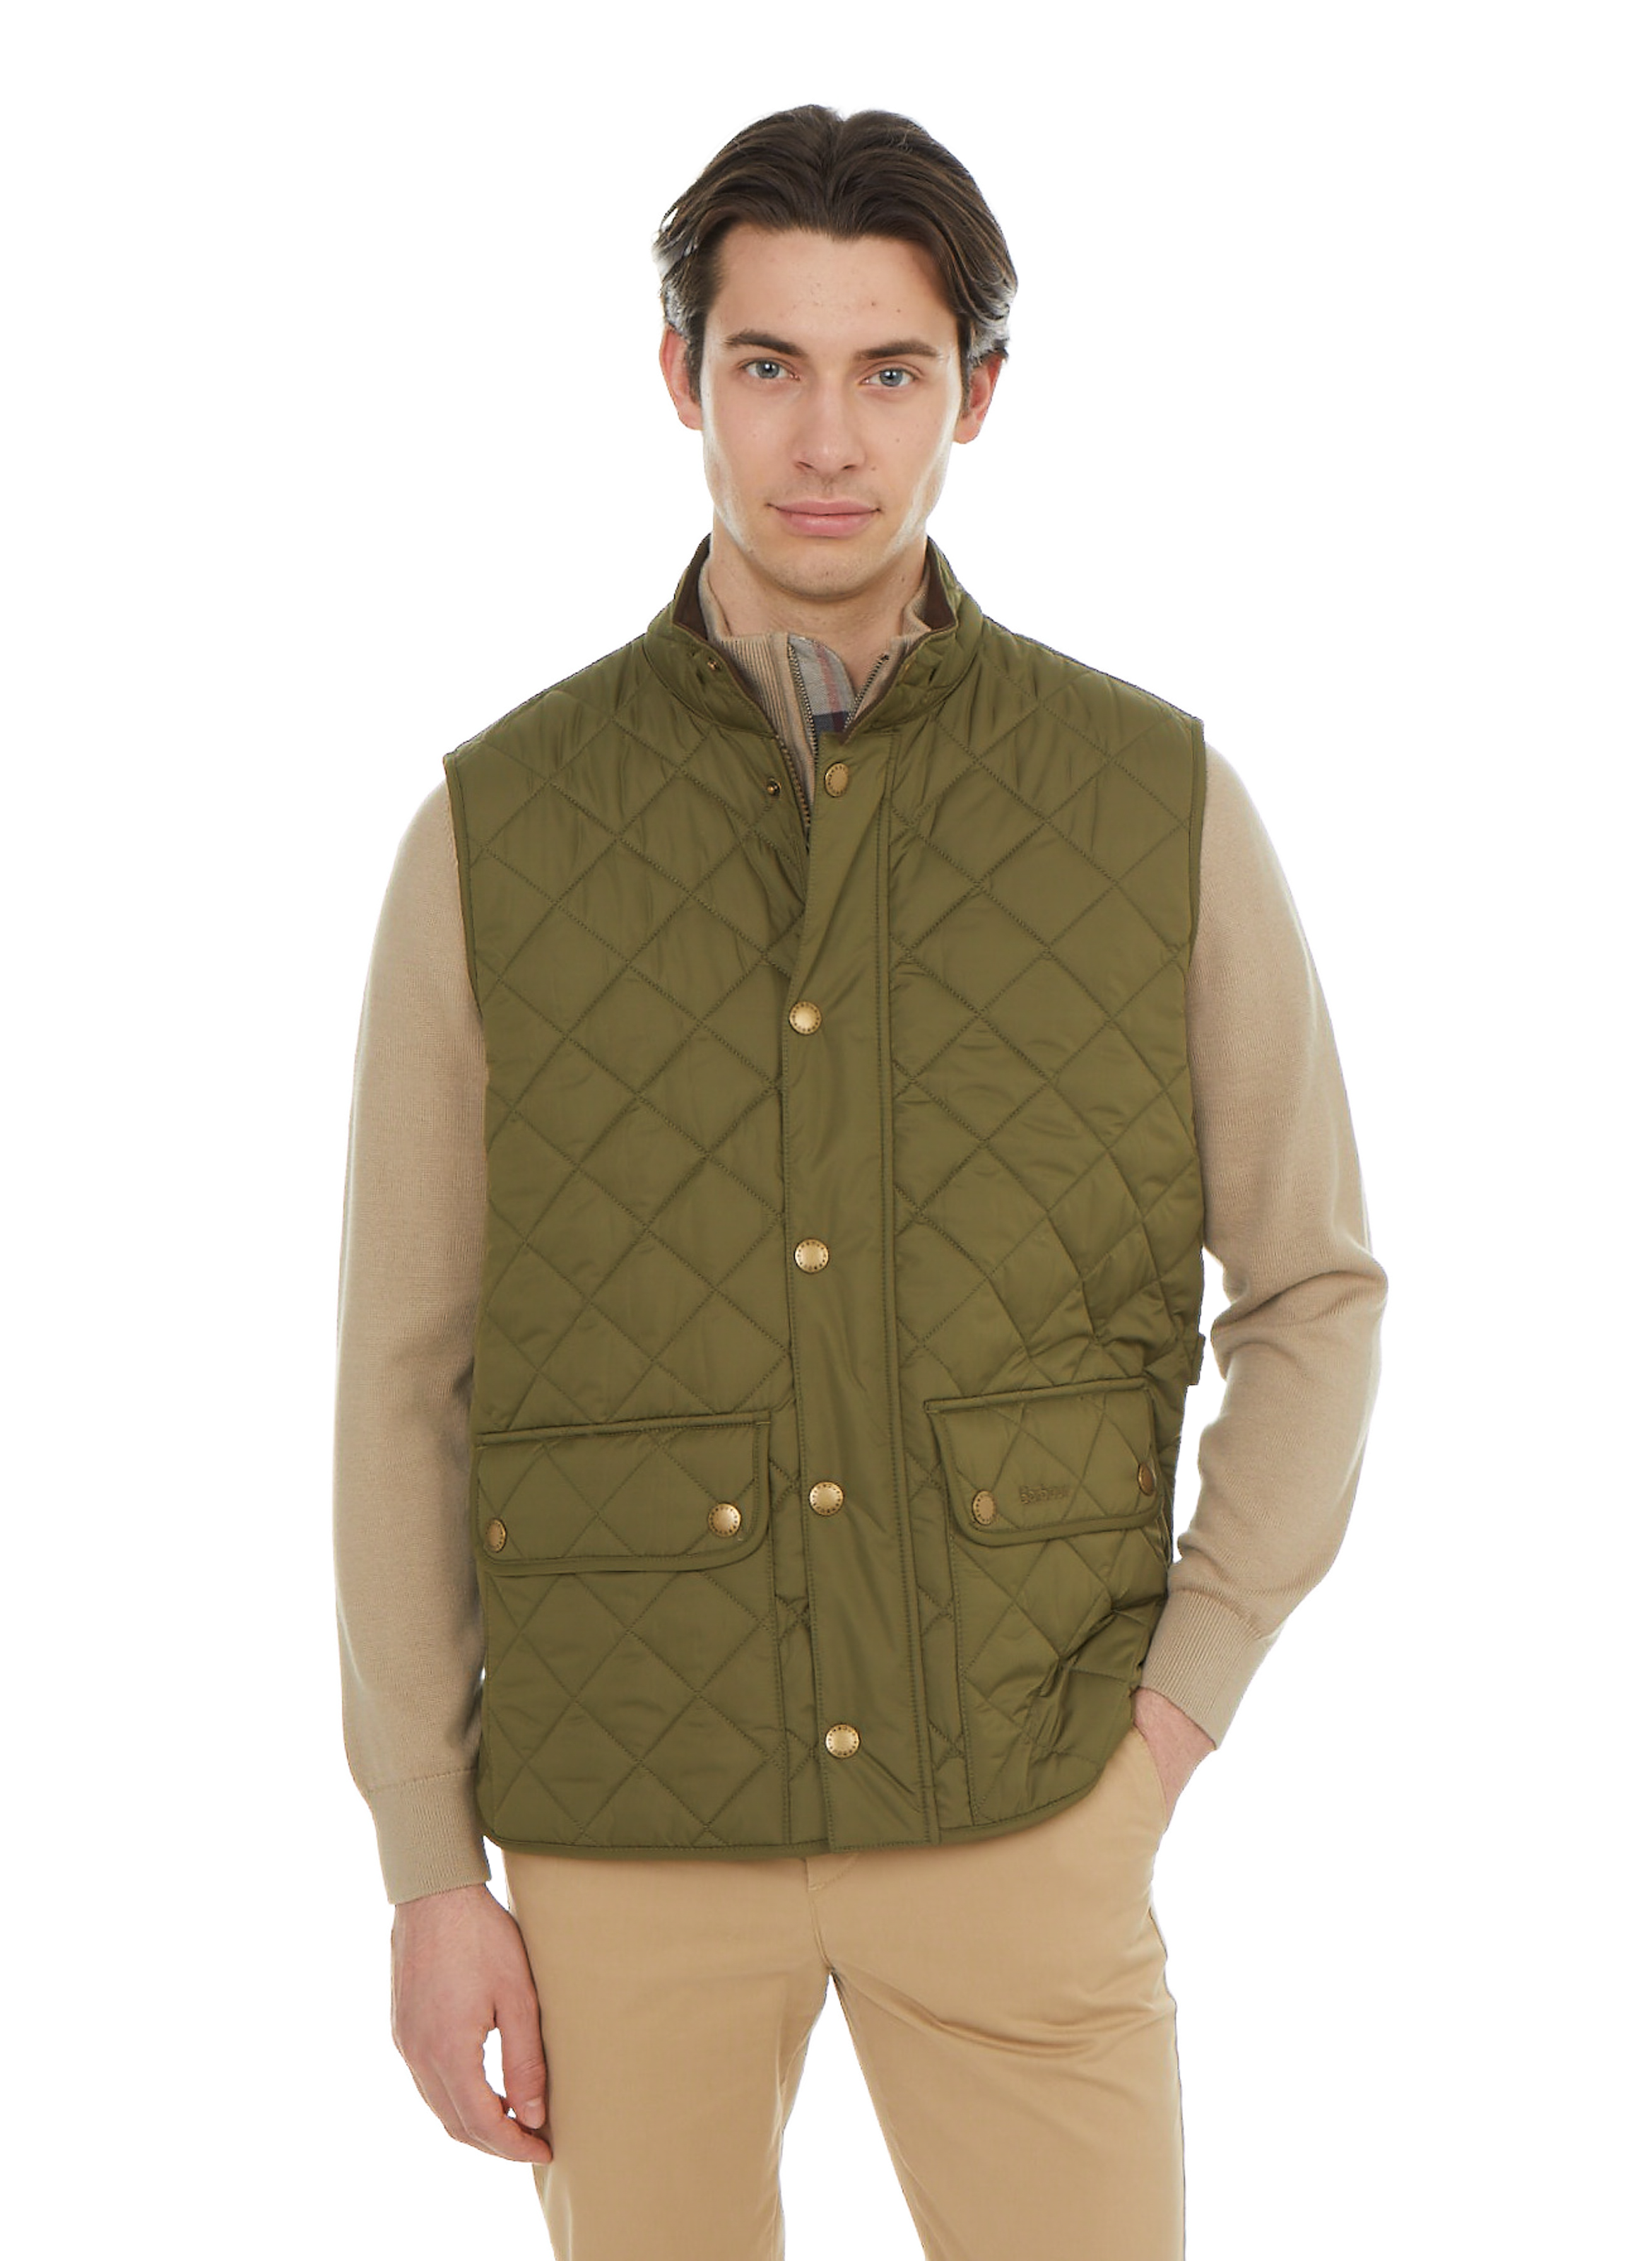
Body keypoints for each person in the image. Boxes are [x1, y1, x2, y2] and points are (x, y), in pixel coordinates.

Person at [333, 102, 1386, 2261]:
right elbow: (401, 1370)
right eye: (769, 365)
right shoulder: (489, 836)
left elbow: (1314, 1289)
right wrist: (430, 1867)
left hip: (1028, 1799)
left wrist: (1173, 1718)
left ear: (976, 394)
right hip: (624, 1832)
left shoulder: (1158, 806)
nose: (827, 439)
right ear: (680, 375)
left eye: (890, 370)